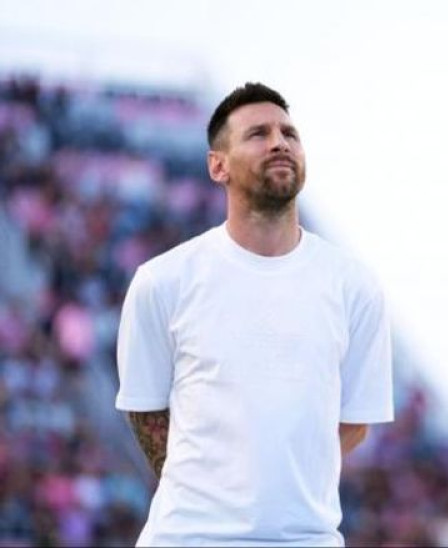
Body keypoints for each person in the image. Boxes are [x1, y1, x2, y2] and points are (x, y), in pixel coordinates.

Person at [115, 82, 393, 546]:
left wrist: (283, 481)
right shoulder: (162, 282)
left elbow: (354, 421)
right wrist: (213, 493)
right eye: (258, 134)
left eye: (289, 133)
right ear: (217, 166)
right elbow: (145, 411)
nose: (279, 142)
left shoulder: (355, 286)